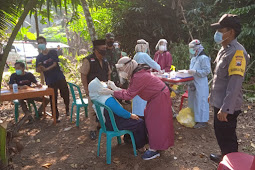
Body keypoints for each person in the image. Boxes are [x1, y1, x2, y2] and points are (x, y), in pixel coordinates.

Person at [100, 57, 174, 160]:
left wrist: (113, 92)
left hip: (159, 96)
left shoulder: (139, 76)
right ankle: (157, 144)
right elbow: (130, 91)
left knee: (155, 122)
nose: (121, 72)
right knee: (151, 119)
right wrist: (115, 89)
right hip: (156, 96)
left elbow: (128, 95)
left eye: (122, 69)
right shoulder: (136, 74)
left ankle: (154, 149)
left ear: (128, 67)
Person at [209, 14, 250, 163]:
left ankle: (233, 163)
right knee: (220, 133)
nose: (218, 33)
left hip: (227, 106)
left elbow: (235, 83)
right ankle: (225, 157)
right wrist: (212, 94)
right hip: (219, 101)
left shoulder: (237, 53)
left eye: (221, 29)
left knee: (227, 136)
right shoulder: (224, 49)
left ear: (231, 32)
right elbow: (220, 77)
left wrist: (226, 109)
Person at [88, 77, 148, 150]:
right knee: (139, 122)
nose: (104, 83)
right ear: (99, 88)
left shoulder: (96, 98)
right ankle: (140, 146)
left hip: (106, 123)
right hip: (113, 124)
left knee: (133, 122)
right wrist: (131, 115)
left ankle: (128, 139)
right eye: (101, 84)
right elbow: (120, 112)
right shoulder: (107, 99)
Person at [79, 39, 111, 140]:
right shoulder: (88, 60)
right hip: (93, 90)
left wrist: (109, 84)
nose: (104, 51)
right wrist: (86, 88)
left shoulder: (105, 60)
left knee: (105, 108)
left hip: (104, 89)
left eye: (105, 49)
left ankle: (102, 125)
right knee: (92, 110)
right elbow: (83, 75)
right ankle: (92, 129)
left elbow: (108, 73)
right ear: (96, 50)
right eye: (102, 49)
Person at [36, 36, 70, 123]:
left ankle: (67, 109)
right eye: (39, 43)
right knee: (53, 98)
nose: (41, 44)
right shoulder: (39, 57)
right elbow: (38, 69)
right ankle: (56, 116)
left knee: (65, 94)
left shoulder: (52, 52)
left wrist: (46, 69)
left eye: (42, 42)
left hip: (59, 77)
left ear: (45, 43)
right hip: (50, 80)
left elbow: (55, 64)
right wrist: (40, 69)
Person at [132, 39, 161, 118]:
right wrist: (160, 69)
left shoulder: (136, 55)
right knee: (143, 100)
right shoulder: (143, 55)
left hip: (137, 79)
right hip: (143, 81)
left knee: (137, 100)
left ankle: (138, 116)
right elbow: (156, 66)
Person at [187, 39, 211, 128]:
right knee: (193, 101)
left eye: (192, 48)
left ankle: (202, 121)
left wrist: (196, 71)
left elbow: (206, 71)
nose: (191, 50)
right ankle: (194, 118)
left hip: (201, 84)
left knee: (201, 101)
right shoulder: (193, 58)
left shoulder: (204, 58)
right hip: (193, 82)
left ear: (197, 48)